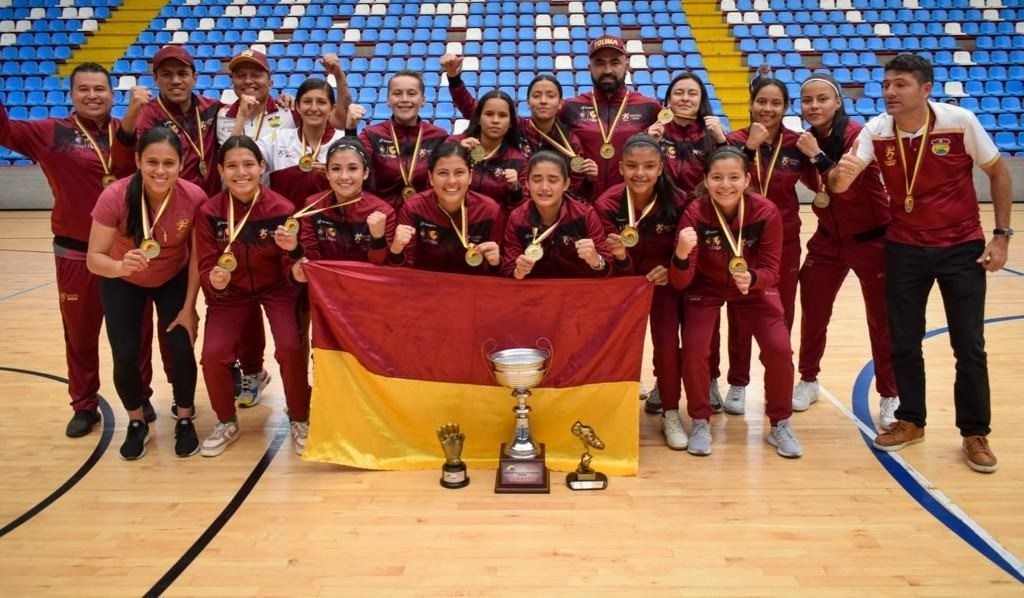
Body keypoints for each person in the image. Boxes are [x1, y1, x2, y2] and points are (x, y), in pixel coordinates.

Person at [831, 53, 1013, 473]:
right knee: (903, 341)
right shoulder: (877, 130)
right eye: (886, 84)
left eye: (900, 84)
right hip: (904, 247)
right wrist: (840, 176)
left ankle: (974, 432)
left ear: (925, 89)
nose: (890, 92)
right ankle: (911, 419)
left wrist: (1001, 236)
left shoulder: (959, 121)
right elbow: (842, 182)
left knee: (969, 345)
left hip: (961, 246)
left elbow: (999, 174)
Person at [0, 62, 164, 437]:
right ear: (71, 94)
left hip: (126, 252)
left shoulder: (132, 131)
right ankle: (85, 405)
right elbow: (4, 130)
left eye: (99, 89)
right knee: (80, 334)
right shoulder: (49, 132)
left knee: (137, 333)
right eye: (84, 89)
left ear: (112, 94)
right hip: (76, 252)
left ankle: (140, 396)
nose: (92, 95)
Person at [669, 146, 802, 458]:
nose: (725, 185)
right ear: (706, 180)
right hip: (706, 287)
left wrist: (753, 278)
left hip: (752, 287)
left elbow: (772, 268)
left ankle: (780, 423)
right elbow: (680, 282)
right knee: (694, 349)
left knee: (779, 349)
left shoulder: (765, 211)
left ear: (747, 180)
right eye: (717, 177)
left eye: (733, 177)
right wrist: (681, 255)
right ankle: (699, 420)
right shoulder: (694, 213)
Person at [86, 127, 204, 459]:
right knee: (125, 353)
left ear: (181, 164)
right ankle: (136, 421)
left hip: (173, 276)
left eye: (169, 163)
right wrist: (119, 266)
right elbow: (94, 259)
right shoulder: (115, 196)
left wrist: (190, 307)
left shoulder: (194, 197)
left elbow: (198, 258)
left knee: (181, 346)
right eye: (152, 162)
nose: (160, 171)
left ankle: (184, 417)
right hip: (122, 278)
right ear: (137, 160)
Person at [792, 73, 898, 428]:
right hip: (827, 240)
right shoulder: (804, 141)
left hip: (872, 240)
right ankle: (808, 379)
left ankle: (890, 394)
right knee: (813, 311)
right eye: (807, 100)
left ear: (838, 102)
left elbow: (844, 187)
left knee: (881, 321)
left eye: (822, 99)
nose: (814, 106)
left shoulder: (858, 136)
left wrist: (817, 156)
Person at [195, 136, 309, 456]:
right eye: (232, 166)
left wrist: (295, 266)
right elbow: (205, 263)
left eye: (248, 164)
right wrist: (213, 279)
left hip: (277, 289)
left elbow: (289, 262)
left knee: (290, 347)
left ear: (262, 167)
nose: (241, 172)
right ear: (220, 171)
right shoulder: (209, 212)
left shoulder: (282, 209)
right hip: (231, 293)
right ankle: (226, 421)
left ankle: (300, 417)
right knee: (213, 355)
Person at [593, 135, 690, 449]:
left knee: (667, 344)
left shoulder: (678, 201)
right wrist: (622, 259)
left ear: (660, 168)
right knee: (616, 345)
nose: (640, 173)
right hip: (622, 287)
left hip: (662, 284)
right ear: (620, 167)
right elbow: (607, 262)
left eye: (649, 166)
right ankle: (612, 409)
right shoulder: (607, 204)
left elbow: (686, 249)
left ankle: (670, 411)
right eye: (632, 166)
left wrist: (670, 268)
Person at [723, 79, 814, 415]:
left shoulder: (797, 144)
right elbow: (725, 181)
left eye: (776, 103)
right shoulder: (734, 141)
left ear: (786, 107)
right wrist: (750, 146)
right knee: (739, 312)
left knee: (781, 311)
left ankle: (778, 381)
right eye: (761, 101)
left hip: (784, 240)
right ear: (751, 104)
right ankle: (738, 382)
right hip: (740, 241)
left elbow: (822, 184)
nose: (768, 108)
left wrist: (816, 154)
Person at [645, 72, 729, 414]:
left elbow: (729, 175)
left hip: (703, 232)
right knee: (663, 319)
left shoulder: (710, 135)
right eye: (678, 92)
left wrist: (721, 140)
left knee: (705, 316)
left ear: (701, 100)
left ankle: (709, 380)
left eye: (692, 93)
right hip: (661, 233)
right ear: (667, 99)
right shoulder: (656, 131)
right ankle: (661, 381)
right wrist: (648, 140)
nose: (684, 98)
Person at [441, 57, 597, 198]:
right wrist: (454, 77)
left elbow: (575, 187)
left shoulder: (570, 142)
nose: (543, 101)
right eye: (536, 96)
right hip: (520, 203)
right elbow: (473, 109)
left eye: (550, 96)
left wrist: (588, 180)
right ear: (528, 102)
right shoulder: (516, 126)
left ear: (560, 103)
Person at [561, 35, 662, 198]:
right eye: (600, 63)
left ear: (626, 66)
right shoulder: (570, 107)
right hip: (582, 202)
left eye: (615, 63)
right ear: (589, 68)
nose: (607, 70)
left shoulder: (650, 107)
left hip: (630, 202)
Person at [387, 142, 502, 273]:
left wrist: (495, 264)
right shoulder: (413, 208)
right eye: (443, 173)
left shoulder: (490, 211)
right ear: (431, 177)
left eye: (459, 173)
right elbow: (403, 269)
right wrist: (396, 251)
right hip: (424, 283)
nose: (451, 181)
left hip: (470, 284)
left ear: (470, 176)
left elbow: (495, 274)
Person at [119, 45, 221, 194]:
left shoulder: (212, 108)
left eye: (182, 73)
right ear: (155, 79)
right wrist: (131, 114)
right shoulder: (147, 115)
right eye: (166, 74)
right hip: (172, 201)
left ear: (195, 78)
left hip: (212, 201)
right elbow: (126, 162)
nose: (175, 81)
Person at [290, 138, 396, 278]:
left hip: (365, 286)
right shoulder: (313, 206)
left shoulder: (383, 212)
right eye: (336, 169)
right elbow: (311, 259)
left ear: (365, 173)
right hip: (326, 285)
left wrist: (378, 239)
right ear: (327, 173)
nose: (344, 176)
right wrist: (294, 249)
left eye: (352, 168)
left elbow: (381, 270)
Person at [503, 151, 613, 278]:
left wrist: (596, 261)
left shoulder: (584, 214)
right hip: (535, 288)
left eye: (553, 180)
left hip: (577, 287)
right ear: (527, 184)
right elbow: (508, 269)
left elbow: (608, 268)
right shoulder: (517, 218)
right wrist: (518, 272)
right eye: (537, 180)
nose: (544, 187)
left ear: (565, 184)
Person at [359, 70, 449, 208]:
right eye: (397, 93)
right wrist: (350, 129)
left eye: (412, 93)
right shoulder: (371, 135)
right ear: (388, 100)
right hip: (381, 215)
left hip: (424, 214)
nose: (404, 99)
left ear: (422, 100)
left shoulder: (439, 137)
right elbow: (354, 162)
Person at [253, 78, 347, 209]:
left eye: (321, 102)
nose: (314, 108)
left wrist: (335, 173)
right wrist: (242, 116)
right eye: (307, 101)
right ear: (297, 106)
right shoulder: (277, 140)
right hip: (285, 220)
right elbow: (240, 156)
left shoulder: (344, 143)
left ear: (332, 108)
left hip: (331, 220)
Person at [447, 90, 528, 212]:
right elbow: (435, 184)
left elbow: (523, 212)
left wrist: (516, 190)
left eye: (502, 115)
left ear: (511, 122)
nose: (495, 120)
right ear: (479, 118)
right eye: (489, 114)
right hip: (453, 217)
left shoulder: (518, 161)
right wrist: (456, 154)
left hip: (494, 222)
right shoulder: (455, 144)